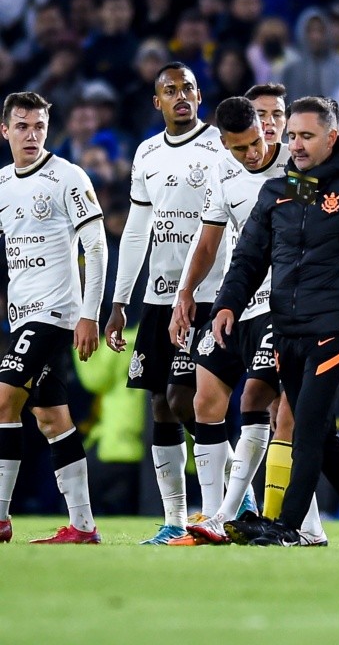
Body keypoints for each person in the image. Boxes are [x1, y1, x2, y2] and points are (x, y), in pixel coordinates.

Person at [210, 96, 339, 547]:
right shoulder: (279, 190)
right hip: (288, 328)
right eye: (291, 136)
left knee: (303, 423)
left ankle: (286, 524)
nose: (295, 145)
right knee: (316, 428)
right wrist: (227, 304)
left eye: (306, 136)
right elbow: (248, 257)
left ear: (331, 137)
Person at [104, 62, 230, 545]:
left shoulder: (219, 145)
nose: (181, 96)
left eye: (189, 89)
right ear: (156, 101)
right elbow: (137, 231)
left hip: (206, 293)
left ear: (200, 97)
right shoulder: (147, 153)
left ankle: (231, 496)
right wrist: (120, 301)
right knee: (159, 402)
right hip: (158, 296)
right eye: (170, 90)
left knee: (183, 398)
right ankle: (175, 519)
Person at [163, 92, 290, 546]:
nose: (252, 153)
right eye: (240, 148)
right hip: (237, 303)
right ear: (224, 144)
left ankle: (250, 515)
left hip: (283, 305)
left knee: (268, 405)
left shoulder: (295, 162)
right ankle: (212, 516)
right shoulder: (224, 171)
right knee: (204, 400)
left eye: (255, 142)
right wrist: (186, 293)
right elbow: (210, 241)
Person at [0, 90, 107, 544]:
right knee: (51, 418)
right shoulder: (2, 182)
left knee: (4, 399)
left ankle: (1, 518)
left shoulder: (68, 177)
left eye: (39, 126)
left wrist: (90, 315)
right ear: (5, 130)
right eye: (22, 126)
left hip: (54, 312)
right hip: (20, 314)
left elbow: (96, 247)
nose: (31, 134)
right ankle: (83, 526)